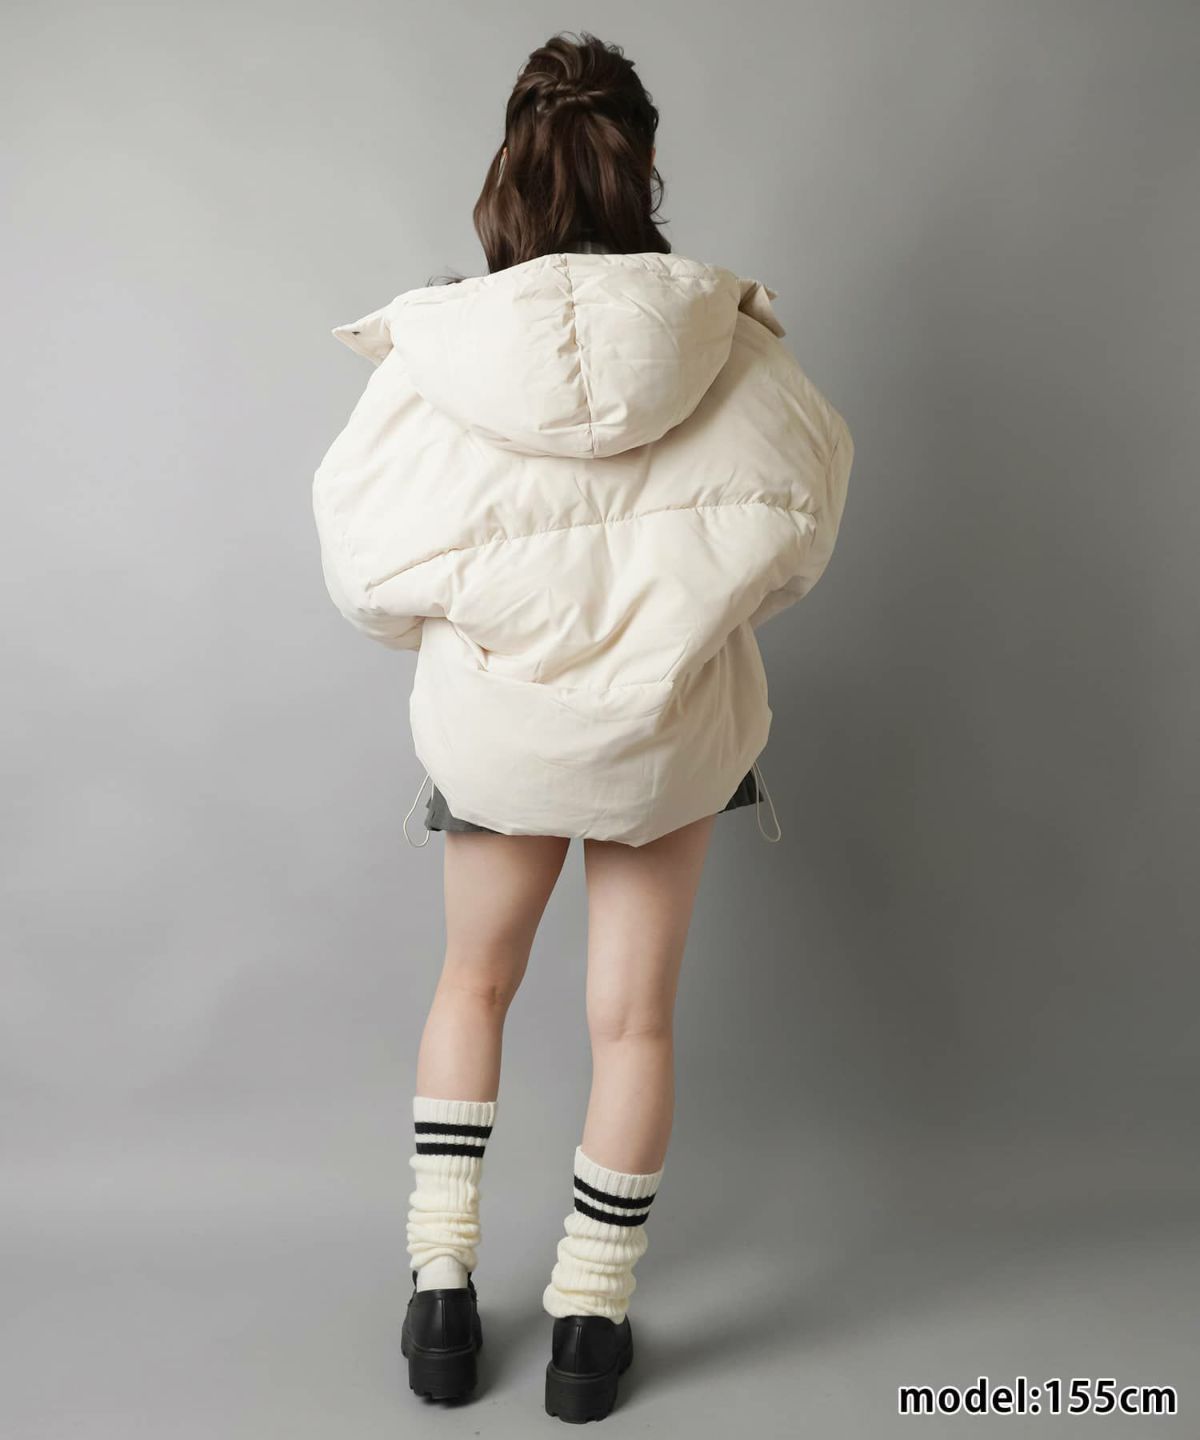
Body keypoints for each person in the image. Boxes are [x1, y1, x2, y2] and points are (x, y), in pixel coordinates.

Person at [312, 29, 853, 1425]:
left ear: (512, 166)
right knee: (633, 1025)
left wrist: (484, 637)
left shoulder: (436, 353)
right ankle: (588, 1333)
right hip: (671, 741)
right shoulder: (733, 348)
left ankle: (442, 1299)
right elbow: (800, 537)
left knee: (472, 986)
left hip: (497, 739)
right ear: (643, 167)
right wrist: (685, 624)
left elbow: (363, 572)